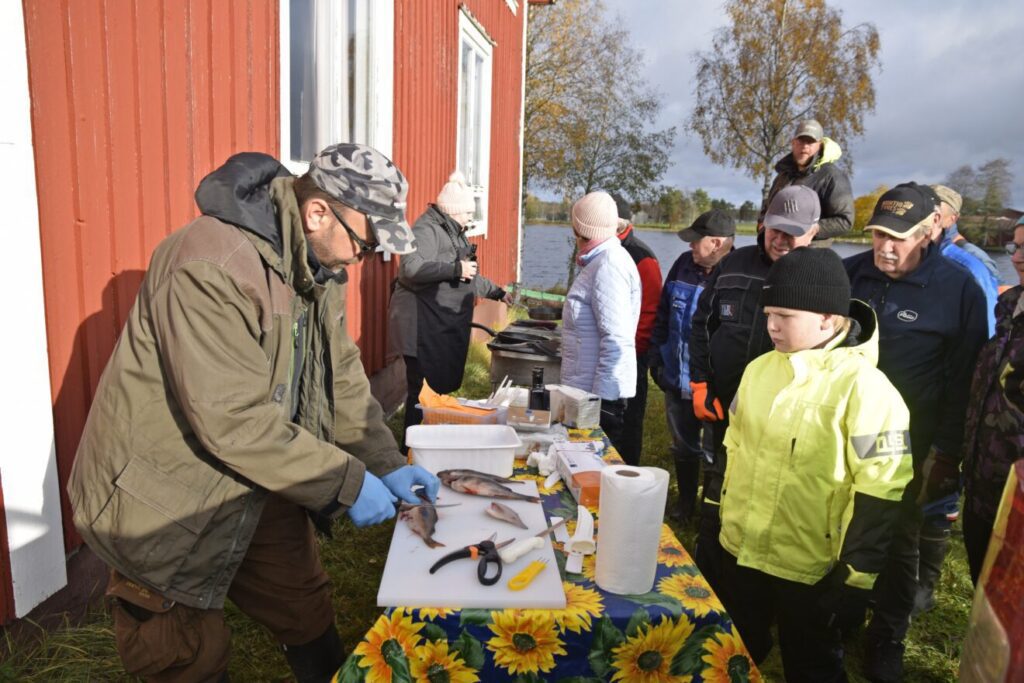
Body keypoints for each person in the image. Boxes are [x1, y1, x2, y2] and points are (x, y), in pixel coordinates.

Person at [67, 144, 441, 683]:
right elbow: (232, 419)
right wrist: (347, 482)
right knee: (184, 653)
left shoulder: (317, 268)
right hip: (168, 494)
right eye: (365, 244)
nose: (364, 259)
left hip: (261, 473)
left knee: (304, 604)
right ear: (317, 213)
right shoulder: (209, 265)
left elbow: (340, 377)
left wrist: (384, 461)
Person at [718, 247, 912, 682]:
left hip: (810, 567)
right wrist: (716, 513)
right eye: (768, 314)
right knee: (732, 651)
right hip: (742, 548)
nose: (771, 326)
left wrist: (856, 577)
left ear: (827, 318)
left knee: (812, 665)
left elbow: (881, 489)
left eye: (784, 316)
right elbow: (734, 446)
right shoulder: (758, 371)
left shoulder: (867, 389)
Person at [844, 182, 988, 683]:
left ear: (928, 231)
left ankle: (888, 635)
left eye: (898, 238)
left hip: (908, 438)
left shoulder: (959, 289)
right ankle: (843, 615)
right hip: (842, 428)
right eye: (878, 234)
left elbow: (966, 379)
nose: (885, 247)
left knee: (898, 535)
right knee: (841, 520)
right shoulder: (850, 274)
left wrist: (945, 454)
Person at [689, 185, 822, 587]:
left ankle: (759, 578)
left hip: (784, 419)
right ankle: (708, 566)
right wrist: (700, 382)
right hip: (724, 403)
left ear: (814, 231)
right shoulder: (733, 265)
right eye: (775, 229)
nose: (781, 239)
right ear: (763, 224)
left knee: (768, 494)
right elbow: (702, 324)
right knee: (717, 483)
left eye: (793, 232)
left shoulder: (822, 278)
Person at [905, 184, 1001, 616]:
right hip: (920, 395)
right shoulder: (922, 257)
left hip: (950, 394)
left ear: (946, 218)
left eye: (932, 212)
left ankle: (924, 585)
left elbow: (981, 338)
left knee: (937, 489)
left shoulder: (966, 264)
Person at [388, 171, 511, 440]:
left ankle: (434, 440)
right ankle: (412, 447)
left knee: (437, 390)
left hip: (438, 324)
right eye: (468, 213)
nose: (470, 219)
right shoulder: (426, 230)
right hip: (419, 326)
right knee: (421, 393)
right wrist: (455, 268)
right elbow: (410, 268)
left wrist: (497, 292)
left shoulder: (454, 232)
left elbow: (469, 276)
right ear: (454, 211)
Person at [648, 210, 735, 521]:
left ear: (716, 243)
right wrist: (657, 359)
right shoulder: (683, 265)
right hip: (676, 377)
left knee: (715, 452)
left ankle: (710, 514)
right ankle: (685, 505)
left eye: (696, 241)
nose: (690, 246)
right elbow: (662, 315)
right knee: (683, 446)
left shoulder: (737, 273)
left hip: (714, 386)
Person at [962, 215, 1024, 584]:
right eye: (1017, 246)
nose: (1017, 257)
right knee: (984, 591)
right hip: (984, 490)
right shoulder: (1009, 309)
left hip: (1019, 504)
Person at [560, 191, 641, 453]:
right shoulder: (598, 261)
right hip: (585, 390)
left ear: (580, 229)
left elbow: (616, 338)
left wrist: (601, 404)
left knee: (592, 465)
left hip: (597, 399)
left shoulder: (609, 265)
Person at [611, 193, 662, 466]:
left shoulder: (642, 257)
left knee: (628, 420)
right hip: (612, 351)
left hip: (631, 354)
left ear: (618, 224)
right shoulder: (604, 249)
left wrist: (632, 351)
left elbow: (650, 311)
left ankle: (628, 472)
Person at [758, 119, 854, 244]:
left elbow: (845, 221)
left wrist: (811, 230)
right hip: (775, 247)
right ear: (793, 143)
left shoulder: (833, 176)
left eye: (810, 142)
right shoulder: (783, 175)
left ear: (820, 145)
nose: (804, 146)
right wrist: (762, 225)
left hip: (810, 251)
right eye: (801, 140)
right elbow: (768, 208)